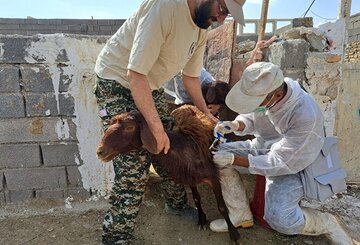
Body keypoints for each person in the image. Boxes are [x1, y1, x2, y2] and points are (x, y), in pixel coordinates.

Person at [93, 0, 246, 244]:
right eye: (223, 10)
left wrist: (205, 112)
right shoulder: (166, 7)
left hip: (148, 84)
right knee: (134, 166)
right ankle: (116, 236)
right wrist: (155, 128)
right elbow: (135, 74)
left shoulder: (200, 26)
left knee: (169, 148)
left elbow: (191, 77)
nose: (221, 19)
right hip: (118, 81)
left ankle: (175, 204)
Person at [210, 62, 354, 245]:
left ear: (277, 95)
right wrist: (236, 125)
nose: (255, 105)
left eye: (258, 103)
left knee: (280, 218)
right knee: (217, 156)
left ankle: (327, 223)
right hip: (265, 146)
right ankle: (240, 214)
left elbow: (281, 161)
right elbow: (252, 117)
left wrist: (235, 159)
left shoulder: (304, 113)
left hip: (295, 165)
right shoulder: (268, 91)